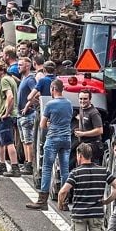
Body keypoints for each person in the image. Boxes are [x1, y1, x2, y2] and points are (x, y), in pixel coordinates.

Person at [58, 143, 115, 231]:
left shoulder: (76, 173)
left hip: (79, 214)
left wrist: (60, 204)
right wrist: (107, 200)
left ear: (80, 155)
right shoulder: (103, 171)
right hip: (96, 213)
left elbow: (63, 191)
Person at [27, 79, 72, 210]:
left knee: (47, 168)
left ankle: (42, 201)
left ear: (53, 89)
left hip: (53, 139)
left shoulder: (50, 104)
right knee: (65, 171)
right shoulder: (69, 103)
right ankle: (63, 201)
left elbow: (42, 125)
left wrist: (49, 124)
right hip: (66, 139)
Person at [0, 60, 20, 177]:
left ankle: (15, 167)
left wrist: (6, 113)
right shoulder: (10, 79)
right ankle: (1, 164)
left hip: (6, 116)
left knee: (8, 142)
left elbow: (10, 97)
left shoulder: (5, 80)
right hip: (5, 115)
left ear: (2, 70)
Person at [74, 90, 104, 164]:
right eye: (80, 99)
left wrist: (83, 134)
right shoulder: (82, 108)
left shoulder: (94, 113)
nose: (82, 101)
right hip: (84, 145)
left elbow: (100, 130)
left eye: (85, 99)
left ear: (90, 99)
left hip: (93, 146)